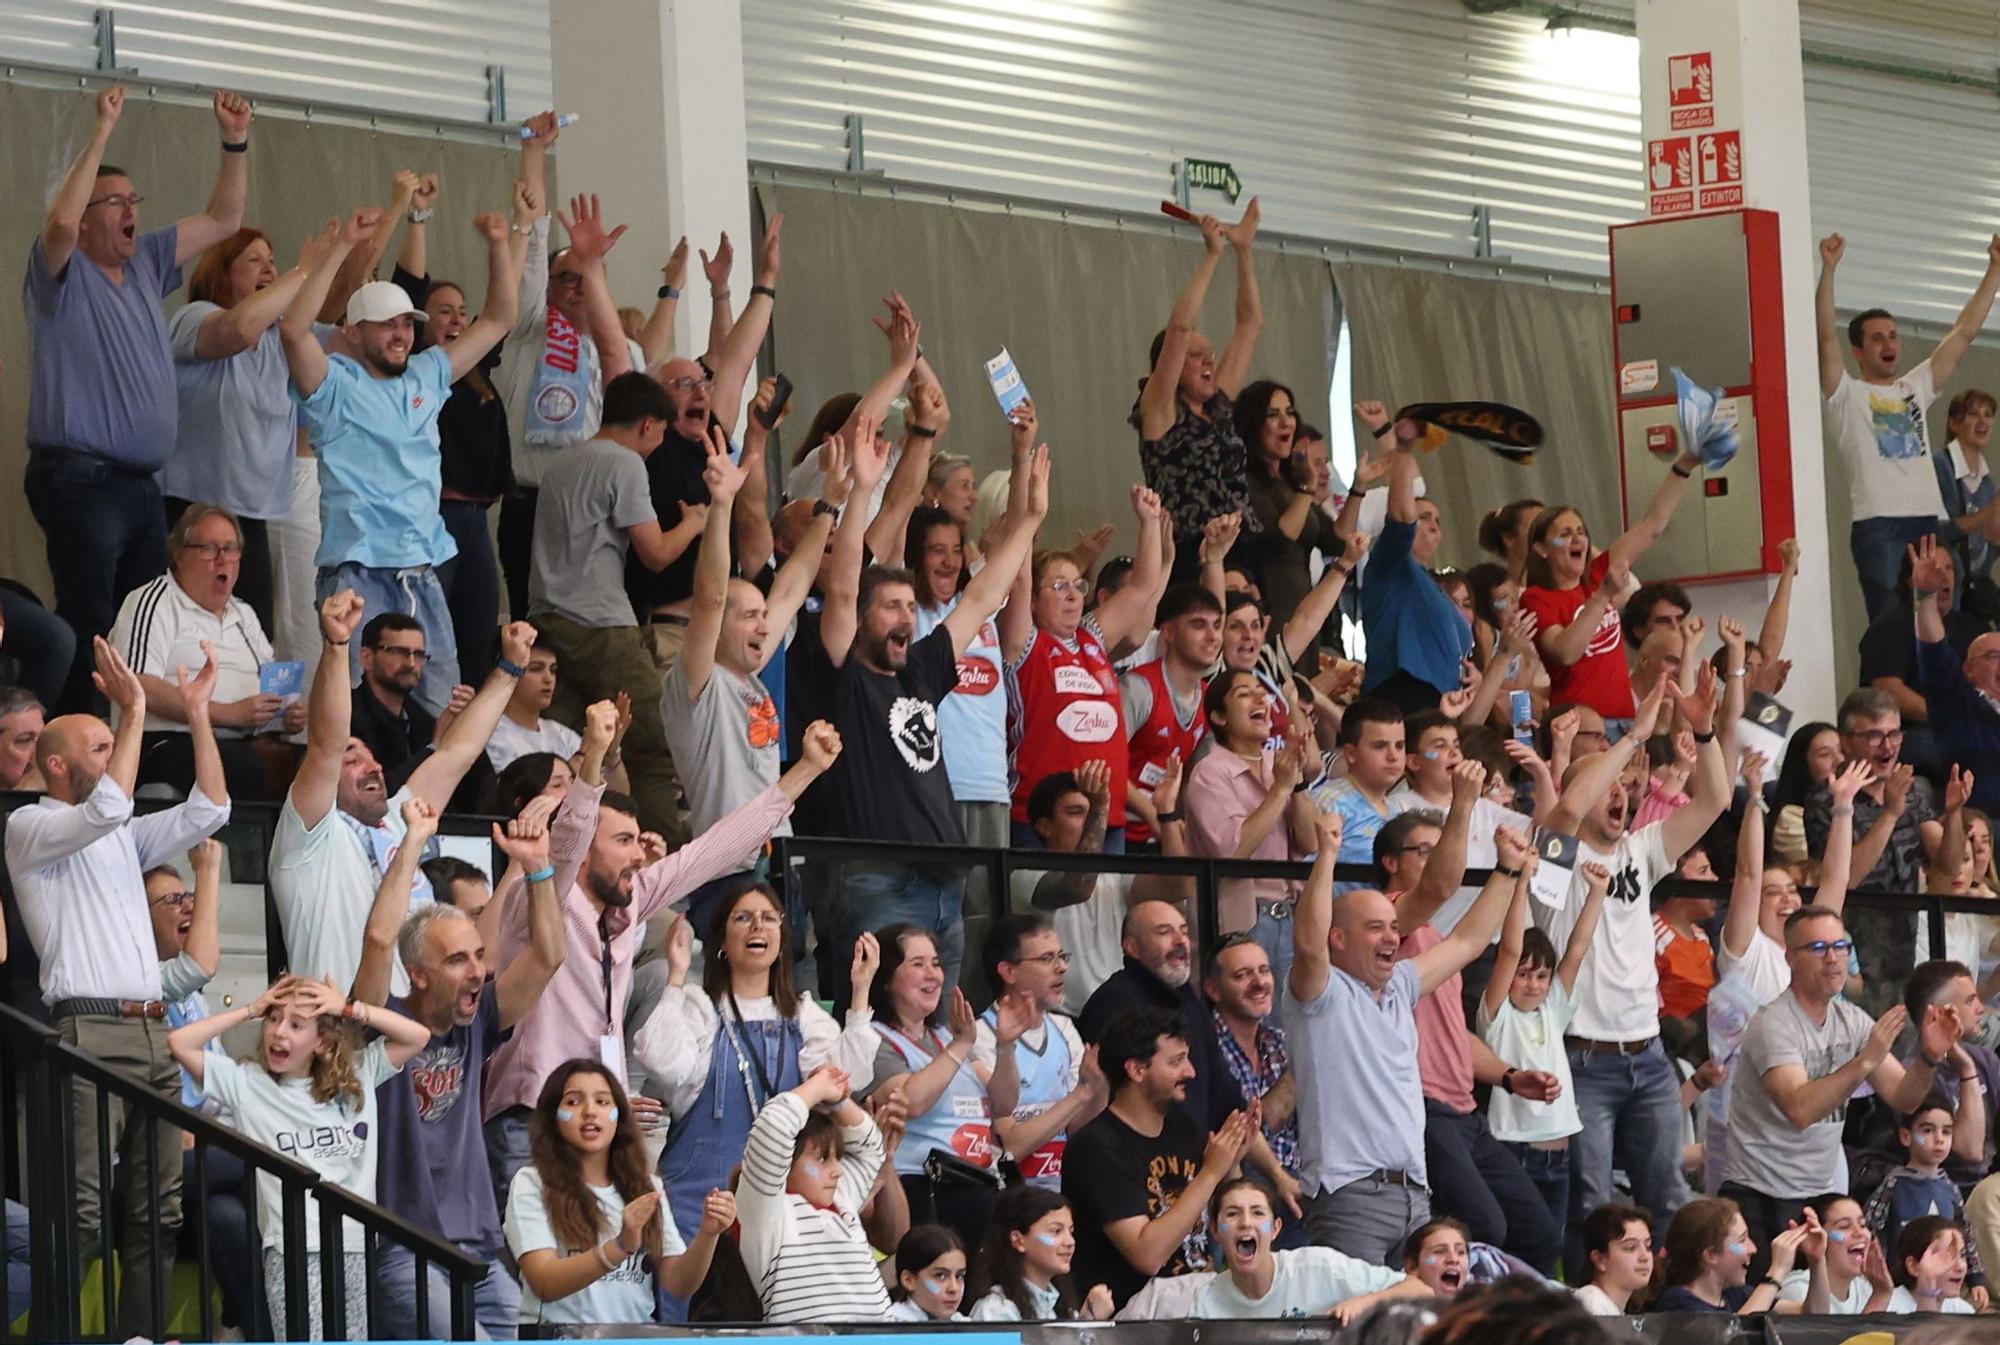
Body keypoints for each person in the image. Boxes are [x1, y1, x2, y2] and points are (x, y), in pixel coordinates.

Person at [482, 722, 841, 1200]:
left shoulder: (628, 905)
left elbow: (714, 850)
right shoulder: (544, 895)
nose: (639, 853)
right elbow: (567, 840)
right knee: (534, 1269)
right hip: (533, 1121)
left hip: (597, 1120)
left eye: (636, 839)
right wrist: (592, 761)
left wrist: (804, 771)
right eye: (623, 842)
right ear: (586, 854)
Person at [3, 637, 230, 1337]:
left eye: (114, 743)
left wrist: (194, 713)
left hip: (152, 1024)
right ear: (58, 764)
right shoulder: (28, 824)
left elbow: (211, 809)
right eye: (100, 748)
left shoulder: (118, 834)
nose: (115, 757)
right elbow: (104, 807)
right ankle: (59, 1336)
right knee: (82, 1211)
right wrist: (132, 710)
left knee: (159, 1209)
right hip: (89, 1025)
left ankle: (139, 1336)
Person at [24, 85, 251, 713]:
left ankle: (130, 747)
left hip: (140, 484)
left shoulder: (148, 260)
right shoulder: (61, 273)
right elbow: (61, 223)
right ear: (91, 214)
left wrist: (234, 140)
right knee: (93, 619)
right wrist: (101, 130)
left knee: (138, 625)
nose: (131, 212)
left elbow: (225, 219)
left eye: (133, 200)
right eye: (115, 201)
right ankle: (76, 738)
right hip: (80, 479)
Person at [814, 408, 1051, 1006]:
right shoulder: (846, 674)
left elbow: (982, 596)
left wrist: (1030, 521)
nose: (903, 616)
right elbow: (843, 586)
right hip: (877, 878)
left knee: (938, 1028)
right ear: (863, 619)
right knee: (878, 1025)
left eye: (905, 606)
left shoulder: (919, 668)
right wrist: (862, 490)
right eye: (889, 606)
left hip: (946, 881)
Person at [281, 196, 526, 715]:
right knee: (351, 710)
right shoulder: (332, 384)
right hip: (357, 572)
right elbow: (292, 330)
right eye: (387, 324)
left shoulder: (427, 374)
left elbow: (502, 315)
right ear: (353, 331)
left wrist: (501, 246)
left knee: (441, 710)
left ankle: (425, 798)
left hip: (422, 570)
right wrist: (342, 248)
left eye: (408, 325)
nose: (402, 335)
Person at [349, 792, 570, 1338]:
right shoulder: (381, 1023)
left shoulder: (478, 1020)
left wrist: (538, 870)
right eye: (456, 960)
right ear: (418, 974)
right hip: (407, 1247)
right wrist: (413, 844)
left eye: (477, 955)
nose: (477, 970)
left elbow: (548, 958)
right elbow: (379, 940)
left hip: (482, 1248)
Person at [1536, 674, 1726, 1271]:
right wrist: (1634, 734)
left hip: (1647, 1055)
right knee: (1593, 1205)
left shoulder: (1639, 850)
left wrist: (1702, 728)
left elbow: (1714, 800)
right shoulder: (1554, 859)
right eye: (1608, 787)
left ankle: (1672, 1309)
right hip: (1582, 1059)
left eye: (1626, 785)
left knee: (1669, 1199)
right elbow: (1567, 805)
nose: (1620, 794)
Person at [1286, 805, 1526, 1267]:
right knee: (1358, 1333)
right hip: (1349, 1197)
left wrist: (1508, 869)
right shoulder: (1320, 993)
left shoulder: (1399, 984)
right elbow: (1307, 944)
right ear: (1339, 938)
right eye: (1375, 928)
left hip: (1415, 1195)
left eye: (1394, 928)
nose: (1391, 938)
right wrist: (1327, 855)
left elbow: (1467, 942)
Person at [270, 594, 532, 994]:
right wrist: (337, 647)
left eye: (372, 758)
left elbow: (457, 753)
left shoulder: (397, 820)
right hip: (337, 1036)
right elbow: (326, 742)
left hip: (406, 1038)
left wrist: (510, 668)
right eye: (352, 759)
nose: (373, 765)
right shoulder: (309, 834)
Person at [168, 974, 430, 1340]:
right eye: (274, 1020)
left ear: (321, 1042)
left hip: (353, 1243)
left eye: (296, 1025)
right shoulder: (248, 1083)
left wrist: (349, 1008)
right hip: (292, 1246)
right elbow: (180, 1042)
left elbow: (418, 1036)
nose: (278, 1032)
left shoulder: (358, 1072)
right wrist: (251, 1009)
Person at [1722, 905, 1979, 1272]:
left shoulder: (1852, 1020)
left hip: (1821, 1193)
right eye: (1818, 948)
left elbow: (1905, 1097)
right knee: (1770, 1309)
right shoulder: (1773, 1023)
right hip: (1761, 1190)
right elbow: (1800, 1110)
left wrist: (1929, 1057)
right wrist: (1864, 1061)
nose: (1832, 958)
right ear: (1790, 958)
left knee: (1825, 1312)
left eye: (1841, 946)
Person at [660, 408, 839, 932]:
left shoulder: (754, 673)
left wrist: (832, 503)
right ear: (717, 628)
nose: (765, 626)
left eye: (766, 619)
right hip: (724, 872)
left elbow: (795, 582)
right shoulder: (698, 683)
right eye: (749, 618)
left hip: (777, 861)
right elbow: (712, 595)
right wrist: (721, 507)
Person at [630, 881, 878, 1250]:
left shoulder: (804, 1015)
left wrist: (860, 993)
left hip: (781, 1202)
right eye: (742, 918)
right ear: (722, 944)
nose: (757, 927)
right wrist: (677, 976)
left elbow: (846, 1081)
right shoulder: (699, 1007)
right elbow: (662, 1062)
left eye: (768, 918)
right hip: (698, 1200)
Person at [526, 369, 717, 840]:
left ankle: (564, 844)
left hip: (547, 621)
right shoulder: (625, 464)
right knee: (652, 746)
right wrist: (696, 521)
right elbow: (655, 554)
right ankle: (660, 857)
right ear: (648, 425)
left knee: (569, 747)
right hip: (603, 627)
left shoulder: (560, 464)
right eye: (660, 435)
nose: (657, 447)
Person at [1376, 791, 1562, 1275]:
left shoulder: (1438, 939)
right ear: (1389, 863)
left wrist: (1508, 1075)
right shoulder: (1386, 923)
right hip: (1425, 1112)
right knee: (1485, 1228)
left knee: (1540, 1232)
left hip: (1466, 1113)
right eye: (1427, 851)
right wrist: (1468, 814)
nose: (1444, 860)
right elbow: (1438, 890)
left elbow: (1453, 1034)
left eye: (1445, 849)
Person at [490, 114, 638, 609]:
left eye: (584, 276)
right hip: (528, 502)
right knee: (532, 627)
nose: (573, 288)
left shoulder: (622, 351)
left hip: (596, 507)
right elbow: (531, 244)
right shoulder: (528, 327)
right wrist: (534, 152)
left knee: (594, 619)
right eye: (564, 279)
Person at [1817, 232, 2000, 620]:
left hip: (1929, 523)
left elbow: (1964, 332)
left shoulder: (1915, 387)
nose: (1890, 343)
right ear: (1858, 352)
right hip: (1879, 527)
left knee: (1938, 624)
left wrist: (1995, 270)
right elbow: (1824, 336)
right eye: (1878, 338)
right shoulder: (1846, 395)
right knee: (1890, 623)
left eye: (1894, 336)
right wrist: (1828, 270)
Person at [391, 171, 523, 682]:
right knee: (428, 633)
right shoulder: (417, 368)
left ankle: (471, 734)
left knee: (476, 632)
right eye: (443, 311)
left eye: (461, 313)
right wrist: (419, 218)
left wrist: (510, 235)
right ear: (419, 324)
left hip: (475, 519)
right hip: (434, 513)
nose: (456, 319)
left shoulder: (478, 371)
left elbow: (502, 310)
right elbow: (406, 288)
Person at [161, 224, 327, 627]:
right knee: (191, 627)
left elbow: (336, 308)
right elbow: (235, 329)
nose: (269, 268)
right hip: (191, 509)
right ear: (223, 272)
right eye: (255, 260)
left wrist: (345, 249)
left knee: (255, 631)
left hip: (250, 516)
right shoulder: (194, 316)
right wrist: (303, 271)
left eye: (273, 260)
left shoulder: (279, 336)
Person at [505, 1058, 733, 1327]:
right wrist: (620, 1246)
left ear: (619, 1116)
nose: (590, 1111)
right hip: (560, 1336)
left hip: (636, 1335)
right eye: (573, 1102)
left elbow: (679, 1283)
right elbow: (544, 1283)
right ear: (551, 1116)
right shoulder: (531, 1183)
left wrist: (709, 1234)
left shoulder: (647, 1186)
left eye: (603, 1102)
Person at [1062, 1005, 1255, 1311]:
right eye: (1176, 1062)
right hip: (1132, 1321)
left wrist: (1231, 1165)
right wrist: (1210, 1173)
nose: (1190, 1072)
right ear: (1137, 1070)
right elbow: (1147, 1255)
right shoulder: (1096, 1147)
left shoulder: (1183, 1126)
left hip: (1198, 1304)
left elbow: (1225, 1223)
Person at [110, 503, 303, 797]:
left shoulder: (244, 613)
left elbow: (271, 681)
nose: (222, 560)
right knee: (248, 765)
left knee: (316, 763)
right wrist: (228, 714)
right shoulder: (153, 600)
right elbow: (138, 684)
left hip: (245, 740)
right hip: (166, 743)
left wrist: (285, 714)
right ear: (178, 553)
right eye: (209, 549)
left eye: (230, 549)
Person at [1011, 486, 1166, 852]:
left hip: (1106, 817)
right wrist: (1030, 513)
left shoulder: (1092, 636)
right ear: (1032, 600)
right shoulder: (1024, 641)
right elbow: (1016, 577)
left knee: (1104, 912)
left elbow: (1143, 587)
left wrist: (1149, 522)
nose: (1072, 595)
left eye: (1078, 585)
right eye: (1058, 586)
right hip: (1042, 818)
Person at [1476, 854, 1609, 1242]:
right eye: (1524, 975)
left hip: (1561, 1154)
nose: (1533, 984)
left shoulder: (1554, 1008)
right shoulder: (1496, 1015)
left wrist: (1596, 893)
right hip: (1515, 1151)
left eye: (1541, 976)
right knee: (1521, 1244)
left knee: (1552, 1246)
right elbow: (1510, 949)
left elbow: (1578, 948)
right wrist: (1522, 883)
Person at [1517, 474, 1700, 738]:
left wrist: (1685, 466)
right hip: (1581, 727)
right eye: (1564, 534)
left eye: (1581, 532)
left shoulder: (1595, 576)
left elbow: (1652, 525)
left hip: (1626, 719)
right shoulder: (1536, 597)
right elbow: (1566, 652)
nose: (1578, 539)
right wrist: (1602, 597)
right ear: (1542, 549)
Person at [866, 925, 1016, 1246]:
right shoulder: (874, 1039)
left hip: (976, 1180)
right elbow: (910, 1102)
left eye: (936, 964)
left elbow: (1003, 1103)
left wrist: (1005, 1047)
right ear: (887, 978)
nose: (933, 974)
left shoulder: (946, 1038)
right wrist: (961, 1046)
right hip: (923, 1183)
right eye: (918, 964)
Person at [1132, 201, 1263, 557]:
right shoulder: (1160, 411)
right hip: (1190, 552)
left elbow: (1250, 325)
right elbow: (1179, 328)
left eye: (1210, 353)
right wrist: (1212, 254)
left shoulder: (1218, 404)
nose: (1209, 360)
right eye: (1195, 355)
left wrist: (1244, 252)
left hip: (1242, 546)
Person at [737, 1064, 895, 1322]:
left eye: (838, 1159)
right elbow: (773, 1127)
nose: (838, 1171)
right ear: (785, 1162)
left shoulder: (841, 1197)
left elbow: (872, 1148)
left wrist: (838, 1102)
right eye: (822, 1159)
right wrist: (819, 1085)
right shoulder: (767, 1211)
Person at [1187, 668, 1318, 962]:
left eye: (1262, 692)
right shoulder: (1210, 772)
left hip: (1291, 912)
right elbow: (1233, 851)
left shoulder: (1279, 764)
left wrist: (1297, 783)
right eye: (1244, 694)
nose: (1260, 697)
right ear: (1219, 717)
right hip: (1243, 922)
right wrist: (1281, 789)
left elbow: (1309, 842)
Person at [1350, 402, 1472, 711]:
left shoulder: (1434, 589)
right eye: (1425, 517)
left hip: (1441, 708)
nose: (1432, 524)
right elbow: (1403, 514)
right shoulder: (1390, 563)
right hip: (1399, 701)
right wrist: (1402, 445)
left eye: (1437, 521)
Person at [976, 912, 1104, 1190]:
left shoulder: (1064, 1028)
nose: (1062, 968)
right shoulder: (979, 1037)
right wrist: (1081, 1095)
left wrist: (1100, 1087)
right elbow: (1010, 1145)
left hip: (1063, 1192)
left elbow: (1078, 1129)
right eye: (1047, 959)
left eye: (1061, 956)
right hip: (1009, 1197)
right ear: (1009, 972)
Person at [349, 612, 493, 811]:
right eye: (399, 652)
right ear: (367, 658)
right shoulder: (347, 716)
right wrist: (434, 750)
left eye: (418, 655)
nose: (410, 663)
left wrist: (467, 729)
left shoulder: (421, 719)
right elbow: (375, 794)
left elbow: (483, 793)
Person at [1863, 1095, 1989, 1305]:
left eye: (1947, 1131)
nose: (1939, 1138)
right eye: (1927, 1130)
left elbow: (1965, 1235)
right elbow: (1870, 1230)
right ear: (1906, 1136)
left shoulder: (1949, 1187)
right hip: (1899, 1288)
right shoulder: (1894, 1183)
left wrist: (1976, 1279)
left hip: (1941, 1290)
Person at [1121, 585, 1220, 848]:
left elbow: (1192, 784)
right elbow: (1105, 764)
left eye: (1218, 625)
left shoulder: (1211, 701)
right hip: (1115, 832)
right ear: (1168, 632)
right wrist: (1155, 814)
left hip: (1162, 831)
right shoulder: (1138, 688)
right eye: (1199, 625)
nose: (1213, 636)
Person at [1206, 935, 1301, 1209]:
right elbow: (1248, 1128)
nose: (1259, 983)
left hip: (1298, 1184)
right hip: (1237, 1186)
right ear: (1214, 990)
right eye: (1242, 975)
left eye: (1264, 971)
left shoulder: (1280, 1041)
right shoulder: (1205, 1045)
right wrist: (1302, 1067)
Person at [1914, 534, 2000, 808]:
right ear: (1969, 670)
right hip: (1984, 823)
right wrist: (1925, 598)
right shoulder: (1959, 706)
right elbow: (1935, 654)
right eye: (1994, 656)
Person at [966, 1186, 1113, 1321]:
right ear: (1018, 1240)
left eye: (1071, 1231)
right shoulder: (996, 1309)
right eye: (1056, 1231)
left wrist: (1086, 1319)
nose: (1070, 1242)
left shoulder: (1063, 1307)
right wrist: (1088, 1320)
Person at [1652, 1196, 1797, 1314]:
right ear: (1710, 1255)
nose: (1752, 1248)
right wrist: (1777, 1271)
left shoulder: (1737, 1294)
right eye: (1742, 1240)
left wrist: (1816, 1260)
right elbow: (1731, 1337)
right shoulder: (1679, 1303)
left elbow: (1809, 1312)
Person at [1311, 696, 1407, 866]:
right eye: (1380, 746)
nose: (1393, 756)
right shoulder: (1331, 802)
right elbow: (1304, 878)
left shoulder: (1396, 811)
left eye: (1399, 746)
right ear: (1350, 753)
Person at [1777, 1194, 1890, 1314]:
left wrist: (1882, 1292)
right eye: (1844, 1226)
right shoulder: (1797, 1288)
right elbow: (1818, 1325)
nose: (1860, 1232)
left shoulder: (1866, 1287)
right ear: (1815, 1236)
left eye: (1863, 1224)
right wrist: (1880, 1296)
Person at [485, 642, 582, 771]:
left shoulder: (562, 734)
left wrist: (613, 747)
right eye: (535, 669)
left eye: (553, 670)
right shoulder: (491, 735)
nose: (549, 679)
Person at [1571, 1203, 1653, 1316]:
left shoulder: (1609, 1308)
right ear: (1599, 1259)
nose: (1645, 1257)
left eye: (1648, 1246)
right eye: (1630, 1247)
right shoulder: (1591, 1306)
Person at [1887, 1216, 1978, 1314]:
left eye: (1962, 1255)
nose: (1961, 1267)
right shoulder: (1887, 1308)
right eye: (1946, 1257)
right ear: (1913, 1266)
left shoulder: (1963, 1311)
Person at [889, 1224, 969, 1322]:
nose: (954, 1288)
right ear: (908, 1280)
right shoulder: (890, 1324)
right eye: (940, 1275)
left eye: (959, 1276)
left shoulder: (964, 1324)